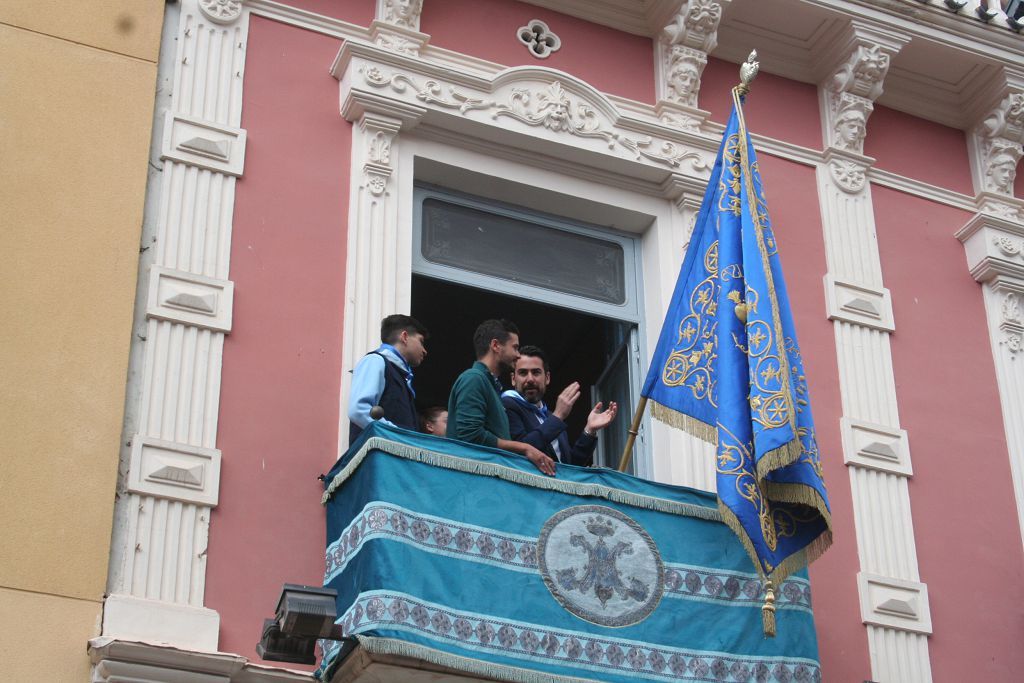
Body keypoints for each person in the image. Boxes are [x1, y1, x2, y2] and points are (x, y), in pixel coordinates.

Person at [447, 320, 556, 476]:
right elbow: (471, 435)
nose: (518, 355)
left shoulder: (490, 385)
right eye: (515, 348)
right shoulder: (474, 379)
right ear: (496, 345)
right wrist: (524, 448)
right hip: (472, 481)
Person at [502, 345, 618, 467]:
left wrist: (590, 430)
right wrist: (558, 416)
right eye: (523, 373)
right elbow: (519, 452)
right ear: (513, 379)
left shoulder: (550, 416)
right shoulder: (507, 405)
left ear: (547, 378)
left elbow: (570, 466)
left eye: (536, 372)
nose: (530, 379)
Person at [347, 314, 428, 445]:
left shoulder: (399, 373)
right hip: (377, 461)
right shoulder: (375, 361)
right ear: (405, 337)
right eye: (421, 341)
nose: (425, 351)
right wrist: (400, 438)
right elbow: (359, 410)